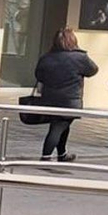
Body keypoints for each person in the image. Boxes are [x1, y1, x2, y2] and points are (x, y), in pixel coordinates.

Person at [34, 28, 98, 162]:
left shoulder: (47, 57)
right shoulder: (79, 58)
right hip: (69, 100)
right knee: (58, 127)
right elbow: (93, 70)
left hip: (49, 99)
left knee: (63, 125)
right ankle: (45, 156)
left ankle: (62, 154)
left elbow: (39, 75)